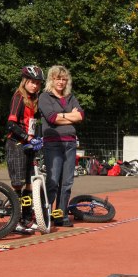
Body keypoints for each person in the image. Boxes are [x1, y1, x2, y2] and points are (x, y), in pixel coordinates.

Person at [38, 65, 84, 227]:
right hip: (53, 143)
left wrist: (62, 116)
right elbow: (52, 118)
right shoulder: (45, 97)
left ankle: (61, 216)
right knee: (53, 181)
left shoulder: (70, 97)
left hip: (70, 142)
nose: (61, 82)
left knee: (67, 183)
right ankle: (45, 215)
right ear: (52, 79)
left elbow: (80, 116)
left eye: (64, 79)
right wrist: (70, 116)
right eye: (58, 78)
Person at [5, 65, 44, 233]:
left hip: (29, 145)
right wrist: (27, 137)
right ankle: (15, 221)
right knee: (18, 184)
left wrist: (38, 138)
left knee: (29, 183)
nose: (35, 85)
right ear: (25, 81)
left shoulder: (35, 99)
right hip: (16, 144)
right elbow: (10, 124)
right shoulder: (18, 97)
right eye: (32, 82)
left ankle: (27, 218)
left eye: (37, 83)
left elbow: (35, 123)